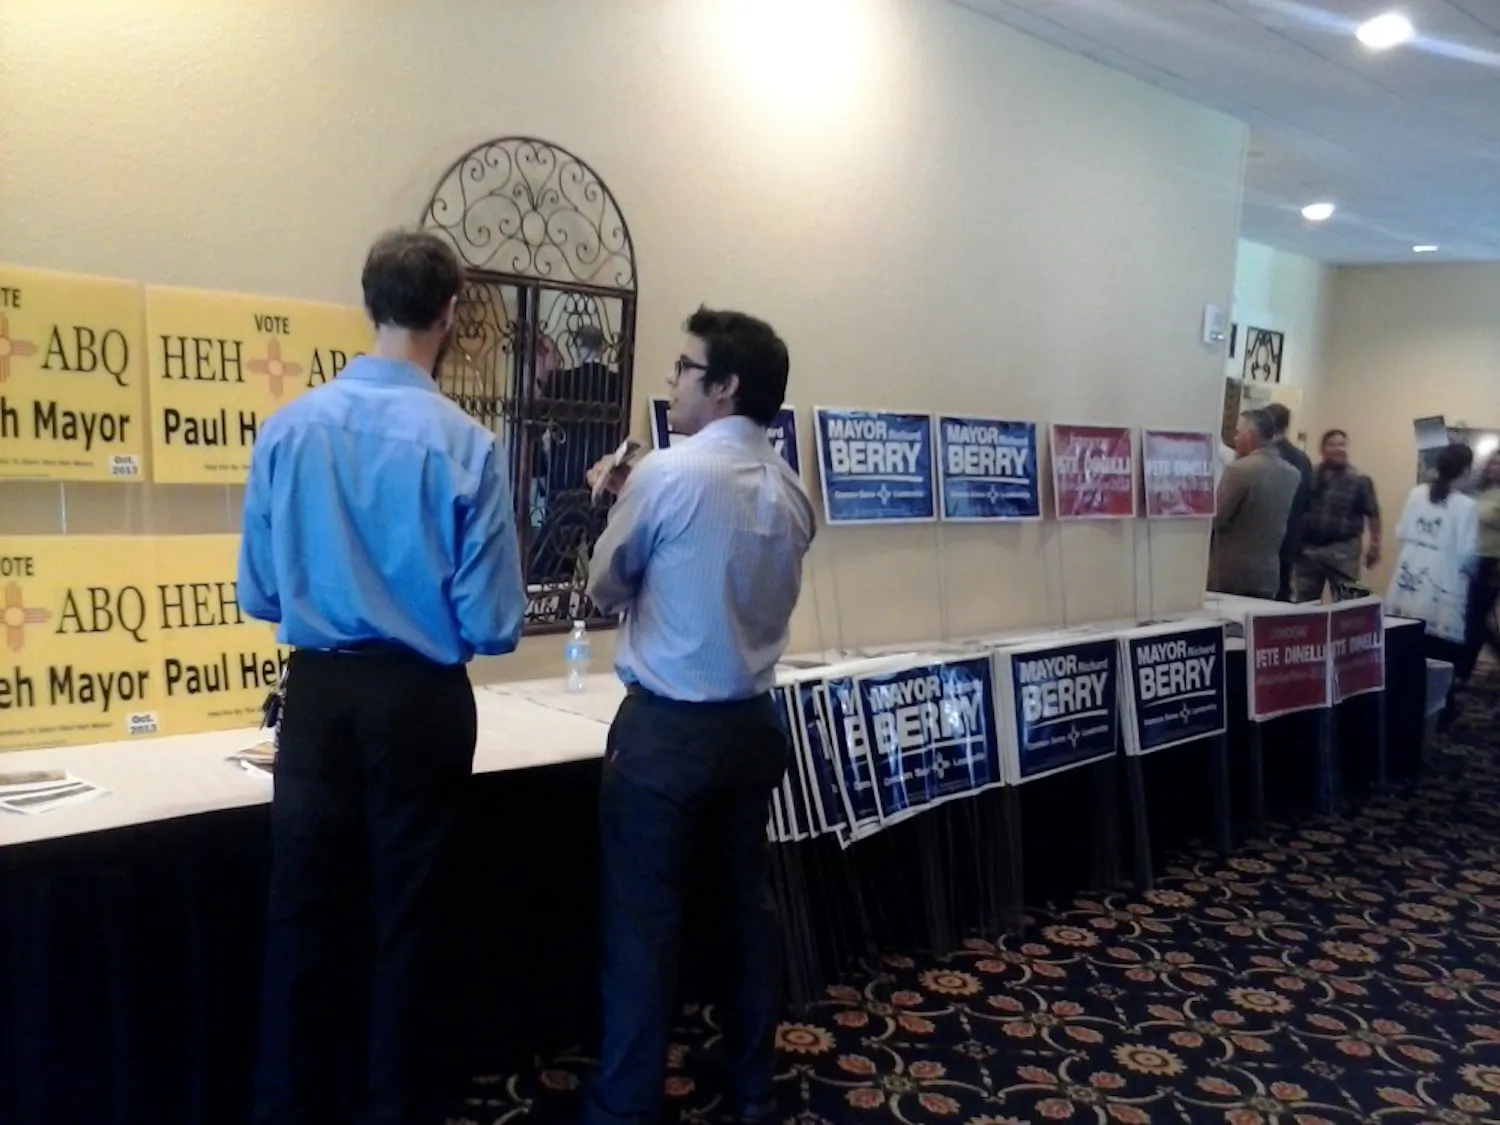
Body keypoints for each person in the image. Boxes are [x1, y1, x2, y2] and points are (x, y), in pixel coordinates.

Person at [238, 230, 527, 1125]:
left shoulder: (288, 428)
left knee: (302, 920)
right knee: (407, 924)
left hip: (319, 699)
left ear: (368, 302)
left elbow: (259, 591)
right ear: (451, 313)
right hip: (421, 703)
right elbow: (493, 624)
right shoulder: (469, 446)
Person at [581, 307, 815, 1125]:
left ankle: (624, 1105)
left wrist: (610, 504)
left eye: (685, 368)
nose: (671, 382)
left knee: (643, 926)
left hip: (667, 734)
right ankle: (750, 1085)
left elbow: (605, 585)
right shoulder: (791, 490)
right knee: (744, 911)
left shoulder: (670, 474)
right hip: (752, 728)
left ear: (725, 387)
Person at [1387, 442, 1477, 725]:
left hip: (1410, 568)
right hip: (1443, 574)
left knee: (1406, 642)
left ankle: (1398, 701)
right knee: (1438, 652)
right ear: (1465, 470)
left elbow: (1400, 530)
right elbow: (1466, 552)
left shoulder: (1417, 493)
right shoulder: (1466, 505)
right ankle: (1437, 708)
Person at [1209, 408, 1302, 600]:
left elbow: (1217, 517)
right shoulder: (1292, 473)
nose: (1234, 439)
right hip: (1268, 573)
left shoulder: (1239, 470)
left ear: (1250, 436)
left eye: (1238, 433)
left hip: (1231, 574)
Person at [1293, 429, 1383, 601]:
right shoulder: (1309, 476)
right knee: (1304, 604)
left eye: (1342, 445)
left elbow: (1373, 514)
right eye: (1333, 445)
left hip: (1343, 552)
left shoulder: (1359, 480)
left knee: (1346, 604)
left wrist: (1375, 545)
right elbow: (1298, 509)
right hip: (1310, 551)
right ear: (1323, 449)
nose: (1339, 449)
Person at [1265, 402, 1313, 600]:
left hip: (1267, 536)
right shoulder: (1302, 459)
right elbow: (1307, 500)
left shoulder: (1266, 457)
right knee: (1283, 591)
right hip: (1291, 535)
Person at [1465, 452, 1500, 677]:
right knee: (1470, 616)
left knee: (1477, 616)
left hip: (1493, 562)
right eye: (1494, 462)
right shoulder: (1478, 492)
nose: (1496, 467)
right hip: (1470, 559)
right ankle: (1464, 666)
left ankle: (1464, 667)